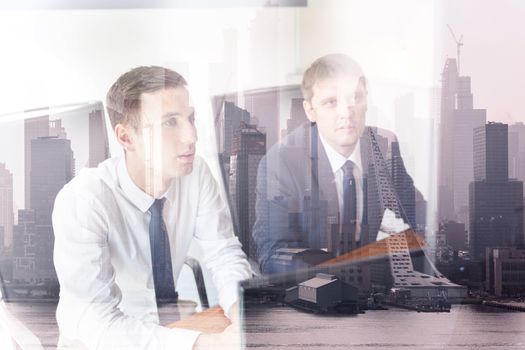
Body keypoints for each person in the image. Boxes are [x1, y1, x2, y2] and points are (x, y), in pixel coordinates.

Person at [52, 66, 251, 349]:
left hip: (172, 331)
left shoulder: (195, 174)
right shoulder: (84, 200)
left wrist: (247, 319)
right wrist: (207, 343)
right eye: (170, 122)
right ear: (126, 138)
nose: (192, 136)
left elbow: (224, 254)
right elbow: (99, 321)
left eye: (190, 118)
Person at [252, 54, 414, 276]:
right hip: (313, 295)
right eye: (331, 102)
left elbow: (406, 232)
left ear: (367, 100)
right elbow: (272, 253)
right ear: (310, 110)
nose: (346, 113)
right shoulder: (281, 163)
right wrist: (331, 275)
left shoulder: (386, 148)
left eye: (355, 98)